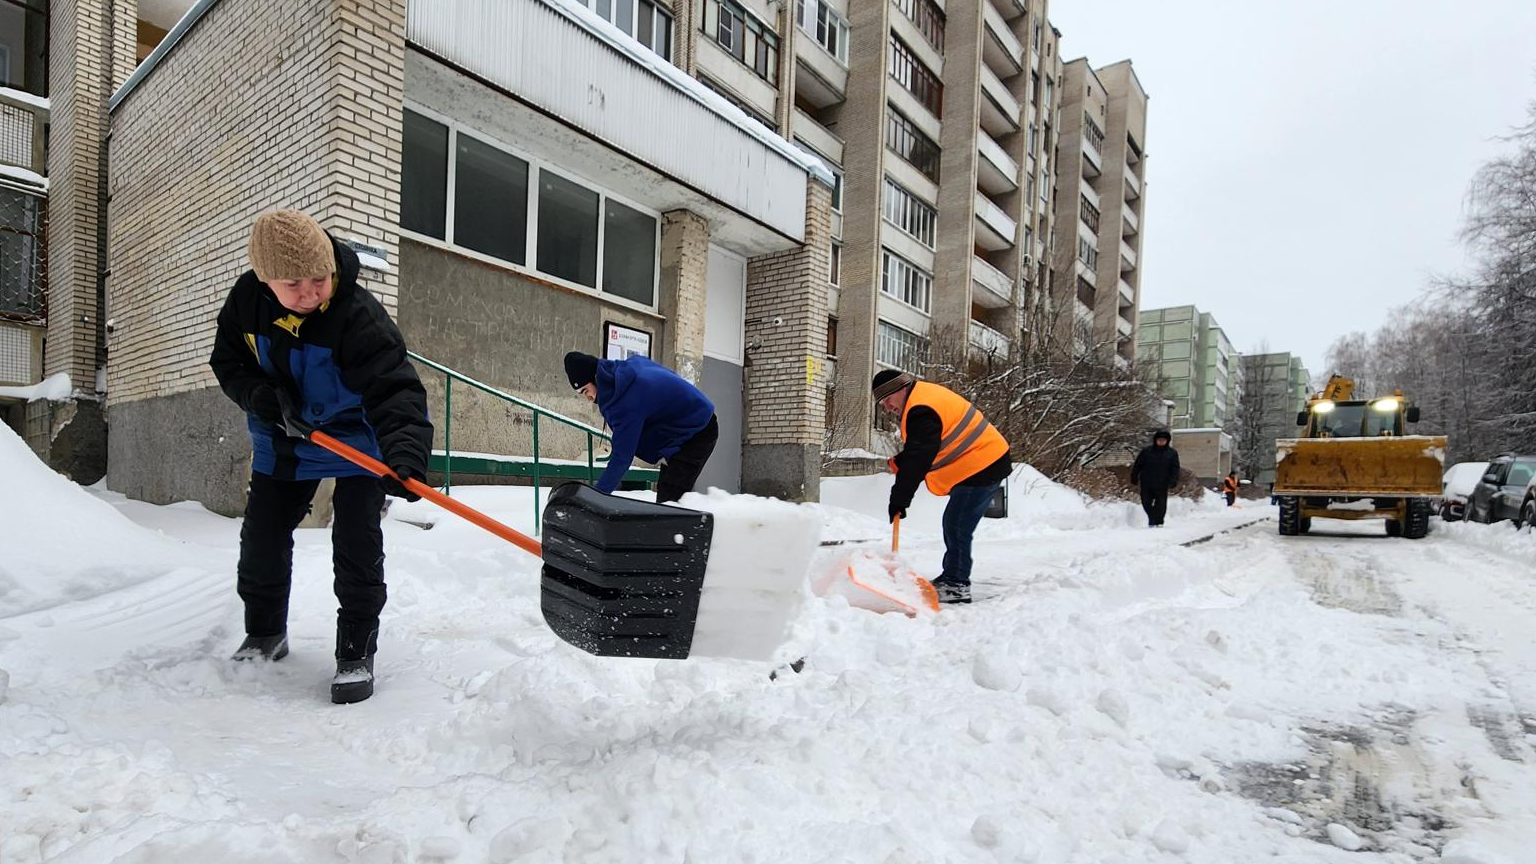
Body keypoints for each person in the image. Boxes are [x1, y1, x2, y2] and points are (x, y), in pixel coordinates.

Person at [210, 210, 432, 704]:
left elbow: (395, 388)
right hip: (285, 439)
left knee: (356, 544)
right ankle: (265, 630)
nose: (310, 292)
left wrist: (405, 453)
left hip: (357, 443)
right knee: (262, 540)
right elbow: (227, 362)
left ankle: (356, 649)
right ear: (265, 279)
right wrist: (261, 397)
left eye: (319, 278)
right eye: (293, 283)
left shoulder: (356, 313)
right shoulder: (246, 304)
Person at [873, 371, 1011, 605]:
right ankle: (952, 577)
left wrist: (900, 498)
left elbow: (920, 457)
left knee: (957, 522)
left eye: (887, 399)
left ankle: (956, 584)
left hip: (982, 463)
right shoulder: (923, 399)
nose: (887, 407)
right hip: (980, 461)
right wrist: (902, 461)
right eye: (882, 403)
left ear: (901, 389)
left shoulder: (920, 410)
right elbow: (925, 446)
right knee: (956, 521)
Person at [564, 351, 718, 503]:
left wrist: (595, 498)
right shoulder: (626, 372)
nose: (588, 398)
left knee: (669, 501)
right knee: (670, 499)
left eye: (586, 390)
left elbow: (622, 458)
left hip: (699, 430)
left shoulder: (626, 400)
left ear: (596, 379)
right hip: (683, 427)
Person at [1130, 430, 1180, 527]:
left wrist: (1173, 480)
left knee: (1160, 504)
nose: (1161, 442)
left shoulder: (1171, 453)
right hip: (1147, 481)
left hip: (1162, 482)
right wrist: (1134, 476)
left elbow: (1175, 468)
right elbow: (1138, 465)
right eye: (1159, 440)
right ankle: (1152, 518)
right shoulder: (1146, 452)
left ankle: (1159, 520)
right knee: (1145, 502)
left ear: (1167, 441)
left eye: (1163, 440)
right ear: (1155, 440)